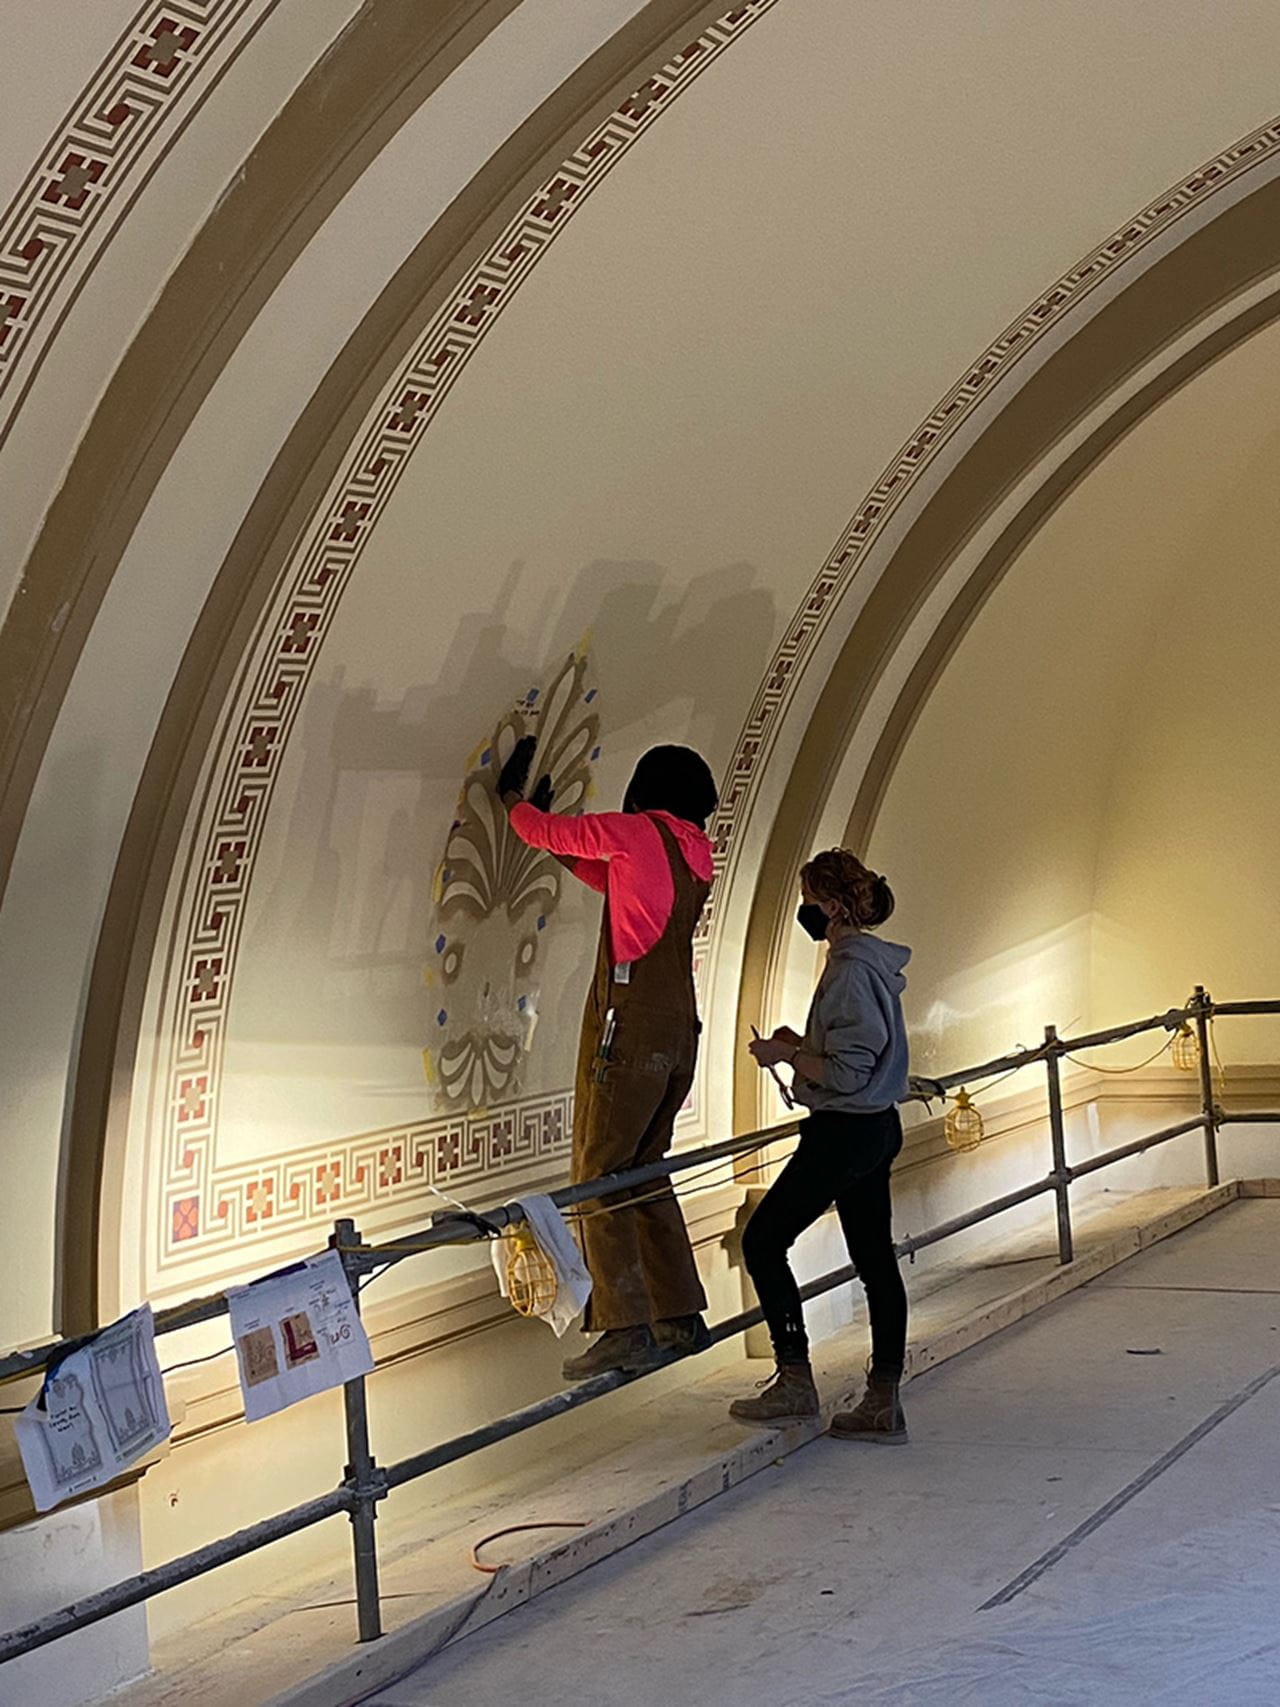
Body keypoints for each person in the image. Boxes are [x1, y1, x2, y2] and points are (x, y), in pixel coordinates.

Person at [500, 738, 718, 1380]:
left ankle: (623, 1324)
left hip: (630, 1028)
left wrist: (513, 801)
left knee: (600, 1171)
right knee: (646, 1168)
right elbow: (605, 874)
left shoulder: (633, 830)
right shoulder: (693, 852)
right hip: (680, 1030)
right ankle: (679, 1314)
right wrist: (546, 838)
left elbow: (549, 830)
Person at [730, 848, 912, 1443]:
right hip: (873, 1127)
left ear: (832, 907)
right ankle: (883, 1397)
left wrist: (786, 1056)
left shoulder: (851, 970)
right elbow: (845, 1052)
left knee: (763, 1240)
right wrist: (802, 1045)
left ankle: (794, 1378)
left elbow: (850, 1071)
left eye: (810, 902)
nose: (804, 912)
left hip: (845, 1131)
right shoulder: (864, 964)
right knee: (875, 1258)